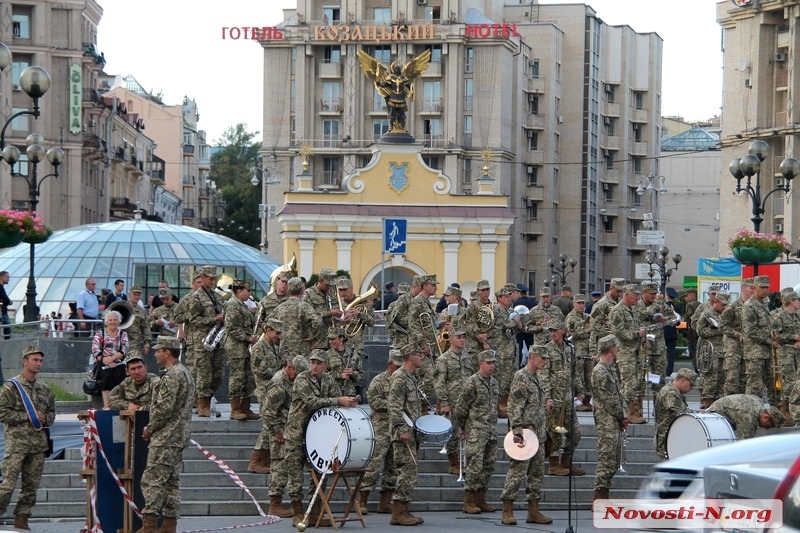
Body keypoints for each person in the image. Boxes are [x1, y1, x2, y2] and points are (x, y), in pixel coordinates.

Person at [285, 349, 358, 527]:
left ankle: (316, 511)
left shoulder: (328, 380)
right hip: (297, 431)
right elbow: (312, 402)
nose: (315, 366)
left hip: (317, 433)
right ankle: (297, 513)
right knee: (295, 474)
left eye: (319, 363)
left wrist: (348, 401)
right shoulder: (302, 379)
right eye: (312, 362)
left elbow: (335, 400)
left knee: (320, 471)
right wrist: (338, 400)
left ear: (325, 365)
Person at [136, 336, 194, 533]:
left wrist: (149, 428)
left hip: (165, 438)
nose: (155, 354)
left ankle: (149, 526)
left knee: (153, 482)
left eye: (158, 350)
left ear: (167, 352)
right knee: (171, 483)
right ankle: (169, 526)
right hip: (178, 437)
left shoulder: (171, 376)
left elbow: (163, 409)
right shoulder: (185, 373)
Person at [0, 343, 55, 530]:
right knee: (7, 484)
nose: (38, 363)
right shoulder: (11, 387)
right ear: (25, 362)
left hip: (38, 445)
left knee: (31, 487)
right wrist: (27, 417)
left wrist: (45, 418)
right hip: (17, 444)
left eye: (40, 360)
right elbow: (2, 413)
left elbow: (52, 414)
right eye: (35, 360)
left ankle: (22, 519)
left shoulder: (45, 389)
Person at [500, 344, 552, 526]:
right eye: (542, 358)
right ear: (532, 357)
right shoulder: (521, 377)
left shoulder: (536, 378)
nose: (545, 362)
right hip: (525, 433)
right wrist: (517, 431)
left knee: (537, 473)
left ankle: (533, 510)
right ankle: (507, 509)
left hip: (538, 433)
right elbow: (515, 406)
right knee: (517, 472)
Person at [264, 355, 309, 518]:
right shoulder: (279, 384)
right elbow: (267, 412)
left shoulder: (291, 380)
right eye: (297, 373)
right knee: (279, 466)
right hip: (280, 431)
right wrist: (277, 431)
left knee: (285, 465)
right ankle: (274, 505)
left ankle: (278, 502)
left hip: (288, 428)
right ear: (289, 367)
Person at [455, 349, 499, 515]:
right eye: (488, 363)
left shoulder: (494, 382)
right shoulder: (471, 383)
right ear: (480, 363)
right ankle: (469, 500)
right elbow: (461, 408)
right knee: (475, 465)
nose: (492, 366)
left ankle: (481, 497)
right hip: (476, 431)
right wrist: (463, 428)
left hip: (491, 431)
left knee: (489, 465)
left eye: (493, 363)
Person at [360, 349, 403, 515]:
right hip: (381, 429)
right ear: (389, 364)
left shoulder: (403, 380)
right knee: (374, 465)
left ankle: (385, 501)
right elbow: (374, 402)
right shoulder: (378, 381)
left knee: (392, 466)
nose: (398, 369)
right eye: (396, 366)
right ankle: (362, 499)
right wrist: (394, 404)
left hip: (396, 429)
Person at [388, 343, 425, 526]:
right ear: (411, 356)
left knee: (410, 472)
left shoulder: (411, 377)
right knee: (407, 471)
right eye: (419, 354)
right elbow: (394, 406)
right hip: (403, 434)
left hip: (412, 432)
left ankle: (403, 508)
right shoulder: (400, 377)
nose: (422, 356)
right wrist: (402, 429)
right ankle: (398, 511)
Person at [543, 319, 584, 476]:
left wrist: (580, 390)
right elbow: (544, 376)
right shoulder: (546, 350)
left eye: (555, 330)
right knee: (554, 434)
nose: (552, 333)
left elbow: (574, 372)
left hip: (568, 397)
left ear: (562, 330)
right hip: (554, 398)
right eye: (550, 331)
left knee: (576, 433)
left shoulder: (569, 349)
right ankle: (554, 464)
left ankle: (566, 462)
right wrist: (548, 397)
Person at [591, 334, 628, 501]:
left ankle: (604, 493)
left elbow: (618, 395)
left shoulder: (610, 369)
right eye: (616, 347)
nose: (618, 350)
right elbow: (610, 399)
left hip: (613, 420)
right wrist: (622, 416)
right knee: (606, 458)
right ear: (611, 349)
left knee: (613, 460)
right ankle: (599, 496)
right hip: (607, 421)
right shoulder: (600, 371)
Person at [247, 318, 285, 474]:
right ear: (267, 330)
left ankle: (265, 459)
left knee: (270, 425)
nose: (279, 336)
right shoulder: (259, 348)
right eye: (277, 333)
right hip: (264, 391)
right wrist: (279, 372)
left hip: (272, 390)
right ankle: (256, 460)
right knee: (267, 426)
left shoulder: (273, 347)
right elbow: (259, 370)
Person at [186, 265, 225, 417]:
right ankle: (202, 405)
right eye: (210, 279)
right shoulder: (196, 297)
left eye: (214, 278)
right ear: (202, 278)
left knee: (218, 374)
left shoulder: (217, 297)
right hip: (202, 341)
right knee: (204, 374)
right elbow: (193, 319)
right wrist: (214, 319)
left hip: (216, 340)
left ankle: (207, 400)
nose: (213, 281)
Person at [434, 322, 470, 475]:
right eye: (459, 337)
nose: (462, 340)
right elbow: (439, 383)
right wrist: (444, 403)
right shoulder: (444, 359)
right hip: (452, 401)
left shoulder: (467, 358)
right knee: (453, 433)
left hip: (466, 403)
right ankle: (454, 462)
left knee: (467, 432)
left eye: (463, 337)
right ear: (451, 339)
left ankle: (465, 462)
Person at [609, 284, 647, 424]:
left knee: (637, 383)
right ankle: (630, 413)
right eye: (635, 295)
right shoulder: (617, 311)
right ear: (626, 294)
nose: (638, 298)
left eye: (638, 295)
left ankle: (636, 410)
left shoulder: (634, 310)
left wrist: (643, 340)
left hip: (636, 352)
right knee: (629, 383)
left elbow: (637, 328)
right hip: (625, 353)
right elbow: (619, 332)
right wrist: (636, 334)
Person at [224, 279, 259, 421]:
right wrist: (248, 338)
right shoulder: (232, 305)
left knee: (248, 378)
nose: (249, 293)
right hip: (236, 348)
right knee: (237, 378)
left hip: (245, 348)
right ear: (239, 291)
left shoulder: (242, 305)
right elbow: (232, 328)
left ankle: (245, 406)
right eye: (248, 290)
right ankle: (235, 409)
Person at [741, 275, 777, 403]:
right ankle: (752, 412)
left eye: (767, 287)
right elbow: (750, 332)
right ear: (754, 288)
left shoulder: (764, 304)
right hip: (754, 353)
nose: (765, 290)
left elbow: (767, 325)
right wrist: (769, 341)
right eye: (762, 287)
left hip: (767, 352)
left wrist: (774, 335)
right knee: (754, 385)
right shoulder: (749, 306)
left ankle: (775, 412)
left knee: (772, 382)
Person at [272, 277, 322, 358]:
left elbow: (269, 324)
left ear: (288, 291)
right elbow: (317, 321)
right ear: (302, 290)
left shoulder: (279, 308)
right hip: (301, 349)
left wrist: (278, 338)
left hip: (284, 349)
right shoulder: (304, 306)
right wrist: (312, 337)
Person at [653, 368, 696, 460]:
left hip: (670, 439)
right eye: (691, 385)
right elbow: (681, 411)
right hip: (667, 441)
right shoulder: (670, 393)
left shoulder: (673, 391)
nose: (691, 388)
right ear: (683, 380)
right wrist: (698, 414)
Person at [696, 291, 729, 408]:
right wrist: (718, 331)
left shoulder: (725, 314)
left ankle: (718, 403)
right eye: (723, 305)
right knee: (710, 379)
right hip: (710, 352)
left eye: (726, 305)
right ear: (716, 302)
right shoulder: (707, 314)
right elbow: (700, 331)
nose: (724, 307)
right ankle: (706, 403)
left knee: (721, 379)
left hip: (723, 350)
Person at [720, 279, 753, 395]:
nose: (754, 290)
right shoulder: (733, 307)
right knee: (732, 378)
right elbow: (722, 325)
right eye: (751, 288)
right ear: (744, 288)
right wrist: (737, 334)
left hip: (748, 349)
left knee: (745, 379)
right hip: (733, 348)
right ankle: (728, 404)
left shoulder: (754, 307)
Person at [92, 309, 129, 409]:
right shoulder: (100, 333)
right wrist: (107, 362)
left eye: (115, 320)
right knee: (106, 376)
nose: (113, 322)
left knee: (119, 375)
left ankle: (118, 405)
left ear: (119, 321)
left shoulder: (123, 334)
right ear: (106, 322)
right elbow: (95, 349)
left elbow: (124, 350)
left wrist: (112, 360)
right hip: (102, 362)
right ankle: (107, 406)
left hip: (118, 362)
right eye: (110, 320)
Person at [773, 289, 800, 426]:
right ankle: (786, 409)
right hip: (786, 353)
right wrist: (793, 337)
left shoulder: (796, 317)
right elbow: (775, 336)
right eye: (797, 300)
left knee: (797, 382)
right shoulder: (779, 317)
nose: (799, 302)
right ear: (790, 301)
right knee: (789, 382)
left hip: (797, 353)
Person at [706, 394, 784, 440]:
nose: (766, 428)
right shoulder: (749, 418)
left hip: (723, 408)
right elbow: (743, 443)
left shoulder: (758, 403)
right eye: (768, 426)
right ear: (766, 417)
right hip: (716, 414)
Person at [565, 294, 592, 411]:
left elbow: (593, 329)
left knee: (589, 375)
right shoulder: (571, 317)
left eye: (583, 303)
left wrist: (585, 329)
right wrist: (586, 329)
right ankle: (579, 399)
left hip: (589, 350)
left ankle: (587, 399)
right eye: (579, 303)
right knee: (578, 375)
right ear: (573, 304)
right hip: (578, 351)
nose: (581, 306)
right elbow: (572, 334)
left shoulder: (587, 316)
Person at [302, 267, 340, 347]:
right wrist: (330, 313)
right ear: (320, 281)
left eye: (331, 285)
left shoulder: (331, 294)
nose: (329, 287)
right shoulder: (308, 294)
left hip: (330, 339)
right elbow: (307, 316)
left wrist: (341, 316)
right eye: (327, 285)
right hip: (316, 341)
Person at [589, 278, 625, 356]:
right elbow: (593, 323)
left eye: (621, 291)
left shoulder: (620, 303)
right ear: (611, 288)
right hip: (605, 344)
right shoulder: (601, 304)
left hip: (617, 344)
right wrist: (608, 332)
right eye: (617, 291)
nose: (619, 294)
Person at [326, 326, 363, 399]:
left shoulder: (353, 355)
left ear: (341, 339)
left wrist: (353, 373)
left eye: (333, 339)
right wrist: (339, 375)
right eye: (329, 339)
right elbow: (322, 375)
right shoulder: (326, 355)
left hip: (349, 394)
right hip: (332, 395)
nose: (330, 342)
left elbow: (360, 376)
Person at [126, 286, 151, 359]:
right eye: (134, 294)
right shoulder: (122, 306)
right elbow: (106, 315)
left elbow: (146, 328)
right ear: (129, 294)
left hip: (134, 344)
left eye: (138, 295)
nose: (136, 297)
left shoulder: (142, 311)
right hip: (119, 343)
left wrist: (147, 344)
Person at [664, 287, 680, 376]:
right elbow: (678, 323)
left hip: (663, 332)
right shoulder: (676, 308)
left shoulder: (662, 306)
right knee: (671, 354)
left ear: (666, 296)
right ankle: (669, 371)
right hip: (672, 333)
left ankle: (661, 369)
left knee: (661, 352)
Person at [683, 289, 700, 370]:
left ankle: (696, 367)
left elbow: (687, 317)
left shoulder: (690, 305)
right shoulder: (700, 304)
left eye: (686, 296)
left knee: (693, 350)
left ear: (692, 295)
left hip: (692, 331)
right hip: (699, 331)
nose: (685, 298)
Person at [0, 270, 12, 339]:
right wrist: (9, 302)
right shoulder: (0, 288)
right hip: (2, 313)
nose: (9, 279)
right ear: (1, 277)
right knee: (7, 332)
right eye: (7, 277)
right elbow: (6, 300)